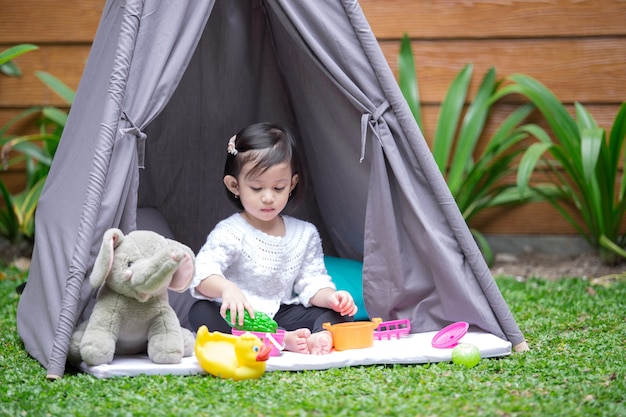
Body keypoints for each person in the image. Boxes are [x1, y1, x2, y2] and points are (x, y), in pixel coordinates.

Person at [188, 122, 357, 355]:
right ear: (235, 185)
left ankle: (318, 336)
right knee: (201, 313)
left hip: (282, 312)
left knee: (340, 314)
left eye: (278, 188)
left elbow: (312, 282)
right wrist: (227, 289)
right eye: (257, 188)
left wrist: (332, 298)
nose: (268, 198)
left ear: (292, 184)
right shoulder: (230, 231)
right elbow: (201, 274)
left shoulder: (304, 234)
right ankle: (281, 340)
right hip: (242, 316)